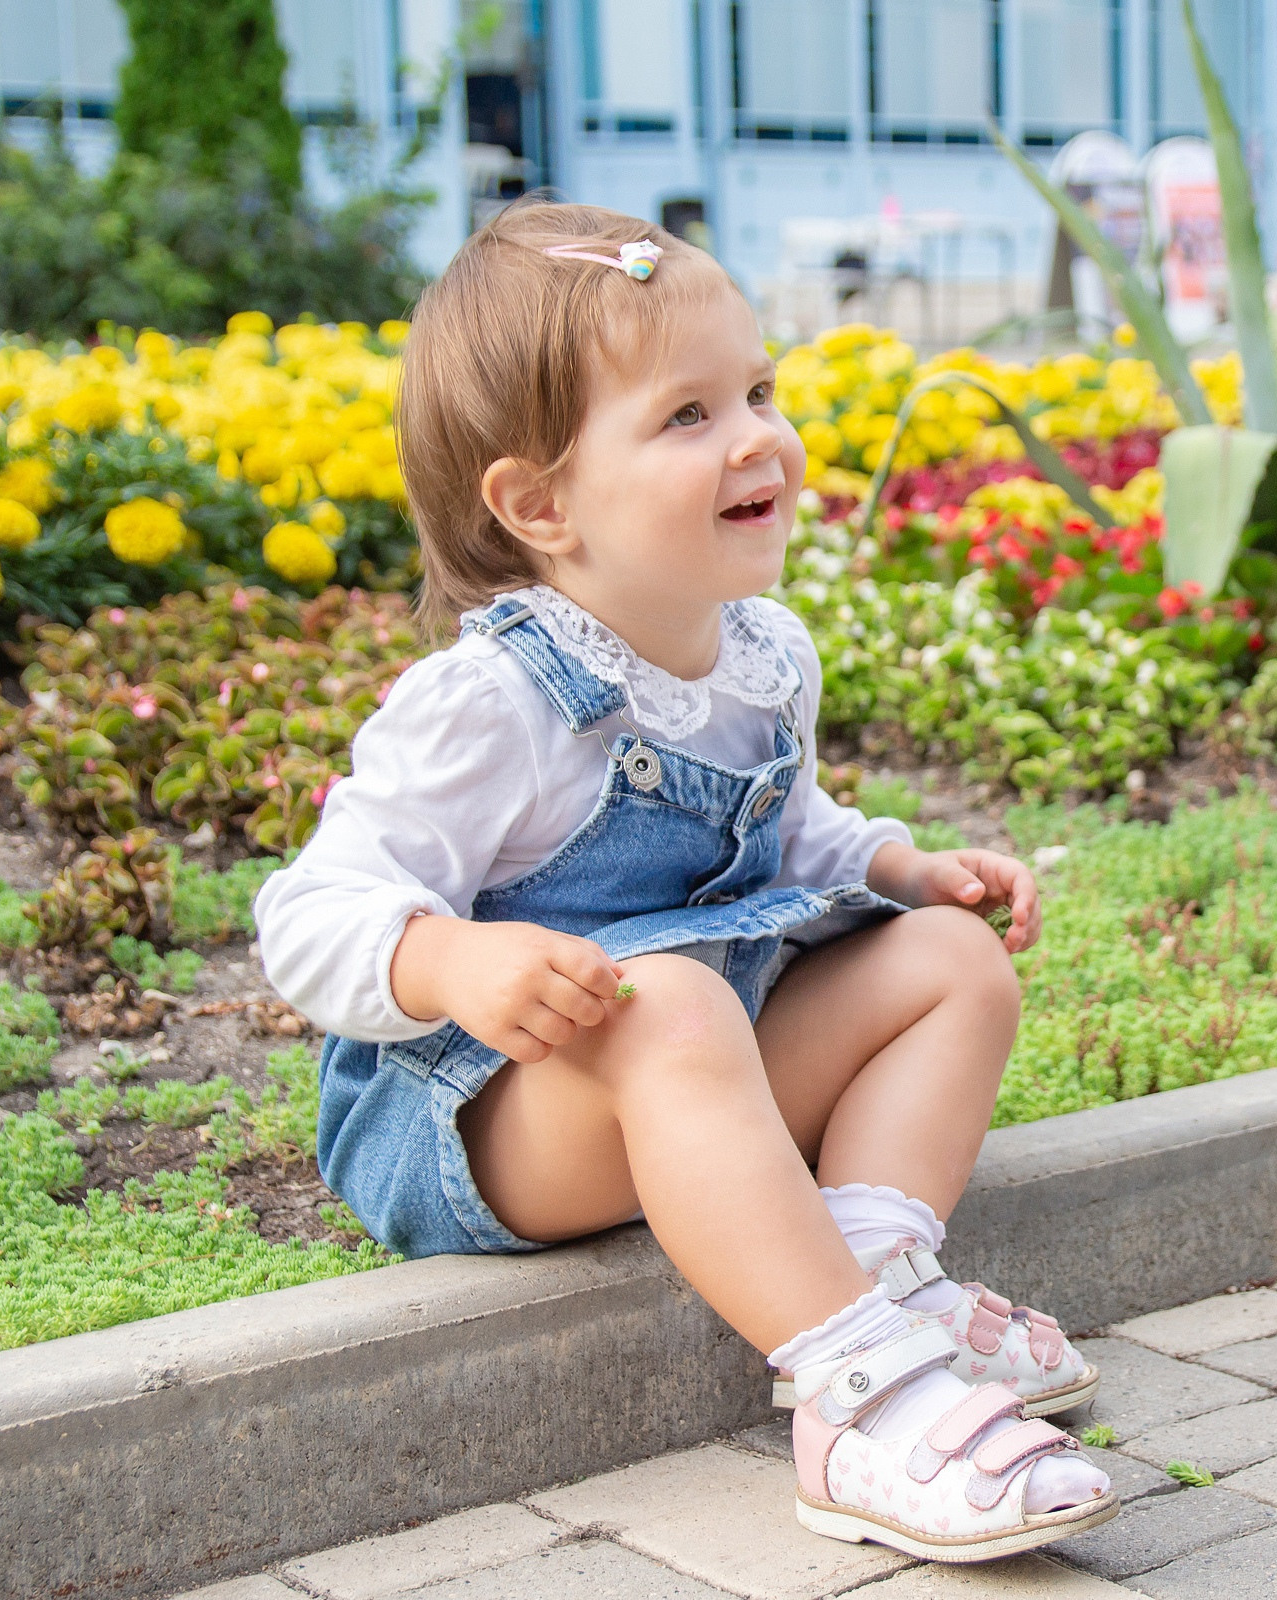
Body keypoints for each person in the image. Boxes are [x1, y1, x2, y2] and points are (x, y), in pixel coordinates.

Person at [253, 202, 1115, 1561]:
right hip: (483, 1127)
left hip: (687, 1058)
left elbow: (789, 831)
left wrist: (893, 865)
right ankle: (857, 1398)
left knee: (952, 960)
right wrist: (451, 960)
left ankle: (881, 1276)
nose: (758, 436)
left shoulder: (761, 654)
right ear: (540, 504)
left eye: (759, 391)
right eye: (688, 417)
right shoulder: (493, 702)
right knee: (671, 1009)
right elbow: (306, 913)